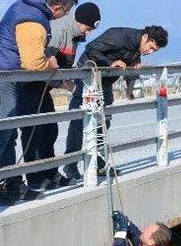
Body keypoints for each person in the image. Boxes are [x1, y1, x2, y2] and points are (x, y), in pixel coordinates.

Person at [0, 0, 78, 204]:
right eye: (66, 13)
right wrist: (52, 64)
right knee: (2, 132)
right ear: (59, 8)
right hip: (0, 75)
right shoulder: (33, 20)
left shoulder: (29, 6)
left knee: (8, 131)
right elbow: (33, 63)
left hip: (3, 73)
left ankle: (9, 183)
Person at [60, 25, 169, 184]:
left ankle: (98, 162)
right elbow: (91, 48)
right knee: (79, 122)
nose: (150, 52)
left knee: (104, 122)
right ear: (145, 37)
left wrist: (129, 89)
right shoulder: (119, 35)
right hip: (88, 78)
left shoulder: (138, 48)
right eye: (151, 48)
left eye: (154, 51)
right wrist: (111, 62)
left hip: (105, 82)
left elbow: (132, 65)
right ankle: (70, 165)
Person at [18, 2, 102, 194]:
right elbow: (41, 62)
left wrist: (66, 79)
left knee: (49, 129)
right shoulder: (58, 30)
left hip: (45, 86)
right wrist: (63, 83)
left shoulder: (74, 35)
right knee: (34, 131)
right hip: (31, 84)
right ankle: (35, 177)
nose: (88, 33)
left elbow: (61, 65)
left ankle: (51, 173)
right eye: (87, 28)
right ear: (79, 21)